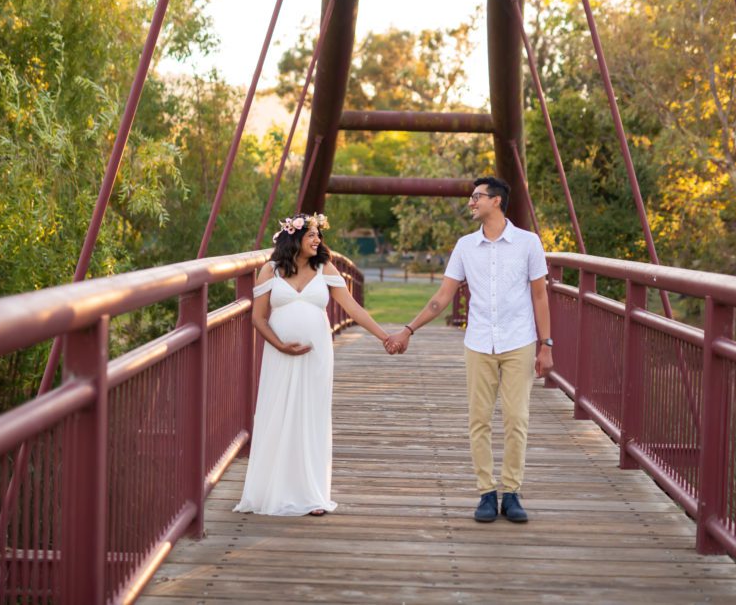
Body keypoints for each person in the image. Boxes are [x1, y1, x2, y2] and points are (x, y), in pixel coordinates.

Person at [386, 177, 554, 523]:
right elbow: (442, 298)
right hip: (478, 342)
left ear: (496, 201)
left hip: (518, 341)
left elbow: (540, 295)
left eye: (476, 197)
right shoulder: (464, 246)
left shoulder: (528, 243)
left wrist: (546, 344)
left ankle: (512, 493)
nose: (470, 203)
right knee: (479, 420)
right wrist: (408, 329)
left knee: (516, 419)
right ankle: (486, 494)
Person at [234, 212, 396, 516]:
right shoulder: (270, 270)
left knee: (311, 417)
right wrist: (280, 345)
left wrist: (385, 337)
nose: (317, 240)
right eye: (311, 235)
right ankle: (271, 489)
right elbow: (257, 317)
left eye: (318, 235)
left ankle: (312, 494)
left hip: (316, 354)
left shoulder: (325, 268)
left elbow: (353, 308)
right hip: (280, 354)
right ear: (294, 237)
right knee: (278, 415)